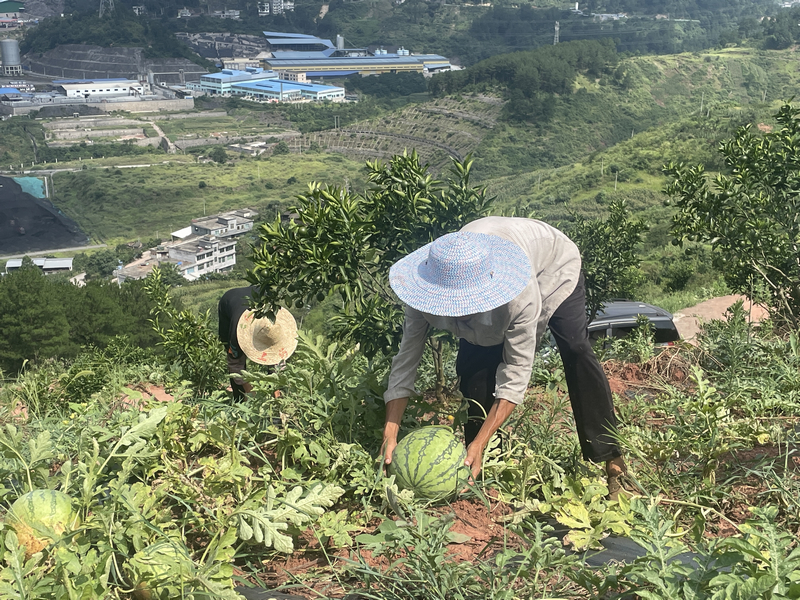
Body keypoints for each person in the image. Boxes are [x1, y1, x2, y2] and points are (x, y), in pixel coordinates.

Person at [380, 216, 629, 499]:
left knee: (576, 350)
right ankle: (477, 470)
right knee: (474, 374)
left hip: (554, 267)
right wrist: (391, 431)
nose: (456, 310)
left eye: (465, 305)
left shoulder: (519, 298)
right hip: (498, 260)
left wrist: (480, 440)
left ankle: (613, 458)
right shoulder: (423, 292)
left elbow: (515, 375)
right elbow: (406, 360)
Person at [218, 286, 298, 401]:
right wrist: (249, 390)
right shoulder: (237, 331)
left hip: (259, 291)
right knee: (236, 356)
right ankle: (239, 399)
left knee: (276, 368)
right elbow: (235, 365)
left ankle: (277, 397)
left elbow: (279, 362)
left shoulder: (275, 326)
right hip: (229, 302)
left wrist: (276, 390)